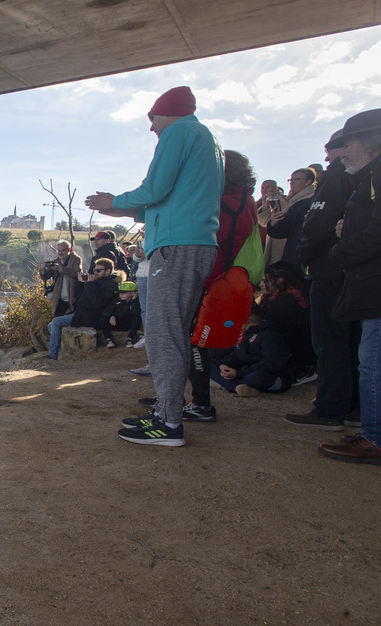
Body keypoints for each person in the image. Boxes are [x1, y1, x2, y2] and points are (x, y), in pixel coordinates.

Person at [86, 85, 224, 446]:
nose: (152, 128)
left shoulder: (180, 131)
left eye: (152, 119)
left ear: (169, 112)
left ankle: (168, 424)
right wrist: (122, 208)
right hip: (192, 243)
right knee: (172, 332)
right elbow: (168, 199)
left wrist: (113, 199)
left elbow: (154, 189)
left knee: (163, 334)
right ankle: (167, 411)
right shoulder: (206, 140)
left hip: (177, 246)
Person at [318, 108, 381, 465]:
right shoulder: (375, 174)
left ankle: (379, 439)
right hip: (376, 282)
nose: (342, 152)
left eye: (349, 144)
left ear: (375, 141)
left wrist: (339, 250)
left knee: (376, 363)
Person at [287, 130, 362, 431]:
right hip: (353, 271)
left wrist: (305, 255)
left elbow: (317, 225)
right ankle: (353, 408)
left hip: (328, 270)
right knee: (353, 343)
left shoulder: (337, 177)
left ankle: (329, 409)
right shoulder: (369, 176)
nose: (327, 156)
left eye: (331, 149)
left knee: (330, 343)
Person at [183, 149, 261, 422]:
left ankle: (201, 404)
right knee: (196, 343)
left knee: (193, 342)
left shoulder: (223, 204)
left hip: (210, 282)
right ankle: (191, 400)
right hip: (228, 281)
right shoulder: (246, 202)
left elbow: (209, 243)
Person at [209, 309, 295, 397]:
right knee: (210, 366)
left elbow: (270, 364)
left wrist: (238, 373)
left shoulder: (269, 335)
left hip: (269, 374)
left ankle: (230, 383)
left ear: (247, 322)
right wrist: (224, 364)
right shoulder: (244, 334)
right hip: (244, 370)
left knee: (256, 378)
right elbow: (236, 355)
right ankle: (236, 388)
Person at [47, 258, 118, 358]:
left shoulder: (110, 285)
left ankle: (52, 353)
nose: (95, 273)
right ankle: (59, 350)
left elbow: (98, 302)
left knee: (56, 322)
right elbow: (78, 296)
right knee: (51, 325)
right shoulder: (97, 282)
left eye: (98, 270)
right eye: (94, 270)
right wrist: (80, 283)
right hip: (81, 313)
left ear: (108, 271)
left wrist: (90, 284)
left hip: (91, 316)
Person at [265, 167, 317, 276]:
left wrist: (274, 224)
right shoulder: (296, 199)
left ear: (308, 182)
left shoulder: (307, 202)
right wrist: (273, 222)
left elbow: (286, 228)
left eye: (296, 180)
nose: (292, 183)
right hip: (296, 252)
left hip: (299, 254)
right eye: (291, 180)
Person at [41, 239, 81, 317]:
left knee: (72, 319)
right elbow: (46, 276)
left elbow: (76, 272)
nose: (60, 253)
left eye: (63, 250)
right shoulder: (56, 261)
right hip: (60, 297)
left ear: (69, 250)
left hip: (72, 295)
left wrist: (61, 269)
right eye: (58, 251)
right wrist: (43, 270)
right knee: (57, 318)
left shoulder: (76, 260)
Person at [104, 281, 142, 348]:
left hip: (128, 324)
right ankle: (109, 340)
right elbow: (107, 309)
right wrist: (111, 316)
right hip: (116, 322)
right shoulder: (116, 299)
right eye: (120, 292)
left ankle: (129, 339)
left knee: (137, 318)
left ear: (132, 293)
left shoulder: (137, 301)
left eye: (124, 293)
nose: (121, 295)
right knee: (103, 319)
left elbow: (136, 313)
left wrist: (133, 301)